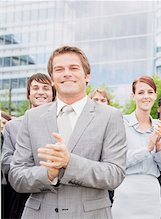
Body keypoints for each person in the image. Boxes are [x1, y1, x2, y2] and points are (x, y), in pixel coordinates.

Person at [9, 45, 127, 218]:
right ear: (52, 78)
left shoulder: (111, 116)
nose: (66, 73)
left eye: (73, 68)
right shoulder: (31, 117)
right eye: (59, 69)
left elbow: (114, 174)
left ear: (87, 76)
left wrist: (69, 163)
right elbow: (17, 176)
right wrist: (49, 174)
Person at [111, 75, 161, 218]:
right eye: (141, 92)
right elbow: (119, 160)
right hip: (126, 190)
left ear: (155, 95)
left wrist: (158, 145)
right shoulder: (121, 123)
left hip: (152, 193)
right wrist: (148, 147)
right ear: (133, 96)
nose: (146, 96)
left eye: (150, 92)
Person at [1, 73, 55, 219]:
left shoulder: (61, 124)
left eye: (46, 88)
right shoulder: (12, 126)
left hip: (55, 196)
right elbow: (6, 164)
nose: (41, 92)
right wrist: (39, 168)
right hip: (22, 197)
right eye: (35, 88)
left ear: (53, 94)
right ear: (29, 94)